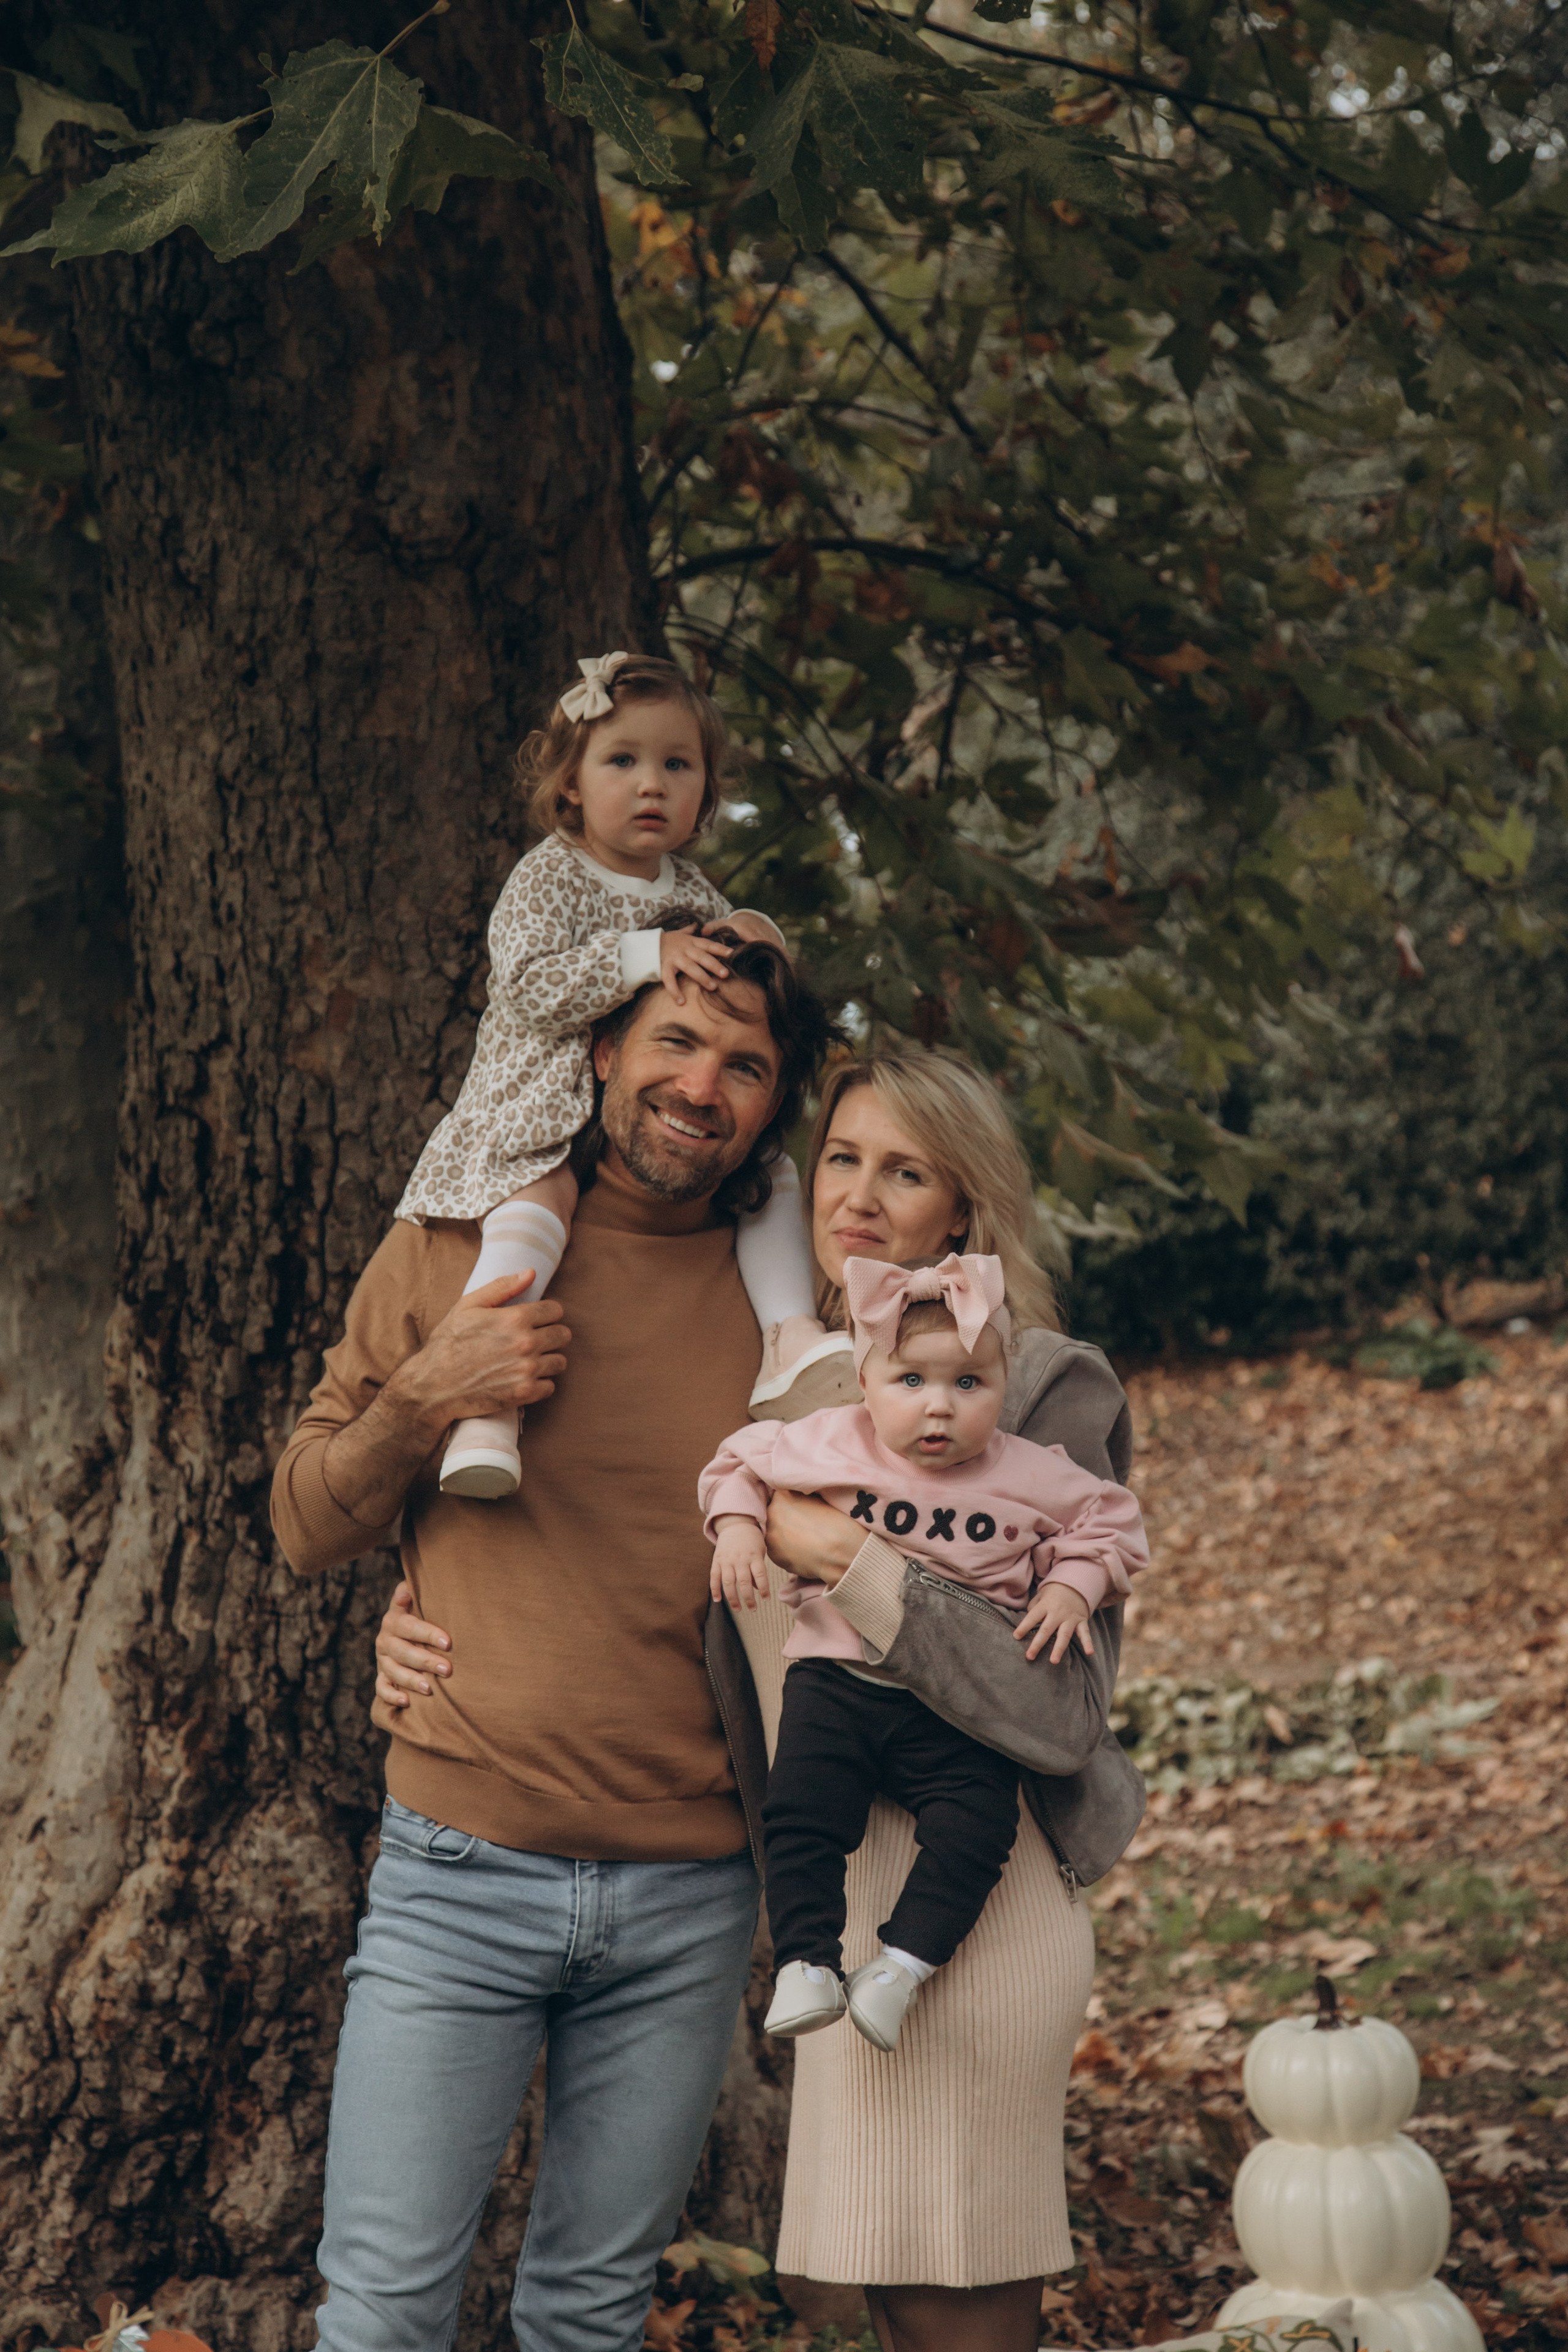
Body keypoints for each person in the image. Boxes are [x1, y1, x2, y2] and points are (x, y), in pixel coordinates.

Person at [377, 1046, 1147, 2352]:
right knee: (900, 2301)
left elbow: (1059, 1711)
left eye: (904, 1173)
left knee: (958, 2300)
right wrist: (421, 1615)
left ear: (960, 1209)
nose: (858, 1196)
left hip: (977, 1894)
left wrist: (850, 1559)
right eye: (840, 1158)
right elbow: (615, 1536)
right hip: (826, 1911)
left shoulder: (1032, 1385)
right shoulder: (780, 1376)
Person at [271, 933, 840, 2352]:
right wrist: (424, 1397)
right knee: (383, 2315)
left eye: (744, 1065)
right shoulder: (457, 1242)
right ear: (599, 1048)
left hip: (691, 1895)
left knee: (587, 2317)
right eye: (673, 1040)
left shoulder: (800, 1313)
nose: (699, 1085)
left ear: (772, 1106)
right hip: (458, 1875)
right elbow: (304, 1524)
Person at [394, 648, 826, 1499]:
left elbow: (743, 979)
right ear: (571, 786)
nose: (651, 784)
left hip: (638, 1120)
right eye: (622, 761)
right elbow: (524, 986)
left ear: (707, 794)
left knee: (772, 1171)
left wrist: (752, 937)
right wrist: (643, 955)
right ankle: (489, 1406)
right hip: (543, 1101)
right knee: (535, 1206)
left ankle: (791, 1339)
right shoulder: (550, 876)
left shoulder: (695, 892)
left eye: (678, 765)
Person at [700, 1249, 1147, 2051]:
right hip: (837, 1680)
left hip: (956, 1705)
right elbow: (739, 1459)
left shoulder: (1029, 1472)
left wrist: (1072, 1585)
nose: (938, 1407)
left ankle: (901, 1969)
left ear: (1004, 1386)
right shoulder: (834, 1442)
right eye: (910, 1380)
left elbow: (1112, 1522)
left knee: (977, 1834)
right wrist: (736, 1526)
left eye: (968, 1383)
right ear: (865, 1381)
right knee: (799, 1811)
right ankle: (806, 1960)